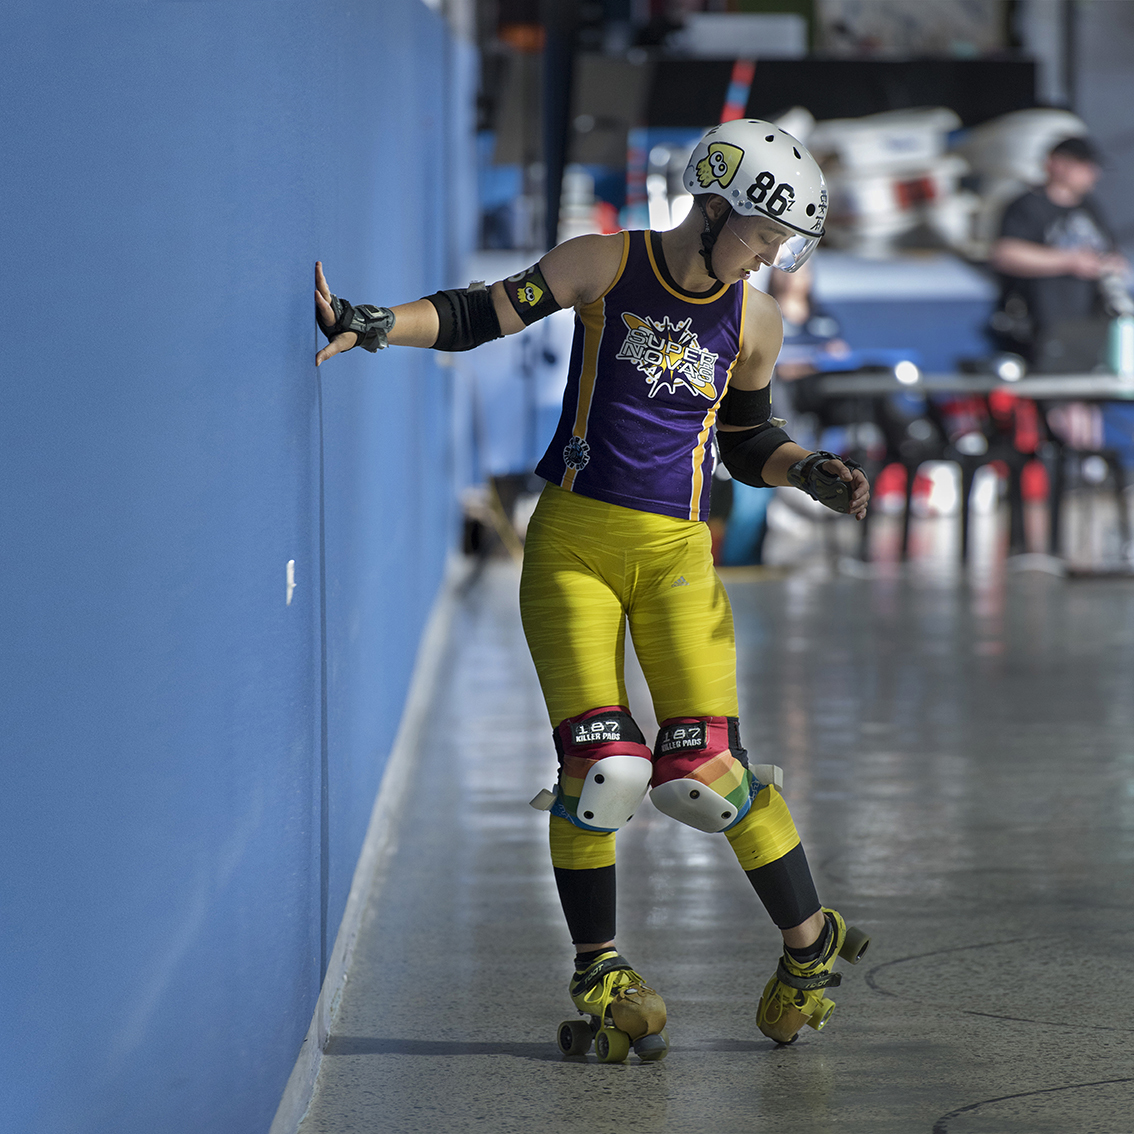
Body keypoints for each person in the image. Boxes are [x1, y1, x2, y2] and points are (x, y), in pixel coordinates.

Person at [315, 119, 872, 1061]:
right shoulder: (606, 263)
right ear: (716, 209)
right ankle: (600, 968)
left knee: (706, 776)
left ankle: (808, 946)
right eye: (765, 235)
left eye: (784, 245)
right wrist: (373, 324)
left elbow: (744, 443)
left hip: (677, 559)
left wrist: (807, 468)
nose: (773, 256)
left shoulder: (756, 321)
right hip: (572, 544)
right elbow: (477, 314)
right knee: (604, 770)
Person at [991, 135, 1134, 472]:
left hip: (1092, 323)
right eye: (1085, 167)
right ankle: (1066, 473)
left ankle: (1089, 471)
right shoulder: (1026, 205)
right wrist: (1068, 261)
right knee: (1060, 399)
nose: (1092, 175)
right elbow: (1005, 253)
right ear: (1058, 164)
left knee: (1089, 398)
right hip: (1046, 322)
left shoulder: (1089, 208)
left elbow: (1102, 251)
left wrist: (1110, 264)